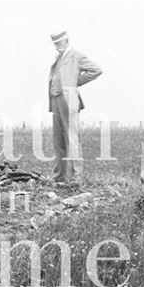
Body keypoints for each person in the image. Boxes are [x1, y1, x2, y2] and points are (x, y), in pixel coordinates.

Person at [48, 30, 102, 183]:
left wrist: (75, 82)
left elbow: (96, 70)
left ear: (66, 41)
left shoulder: (76, 56)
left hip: (70, 101)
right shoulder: (58, 58)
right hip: (56, 101)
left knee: (72, 140)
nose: (57, 47)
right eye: (55, 44)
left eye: (59, 43)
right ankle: (60, 177)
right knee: (58, 141)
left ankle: (75, 178)